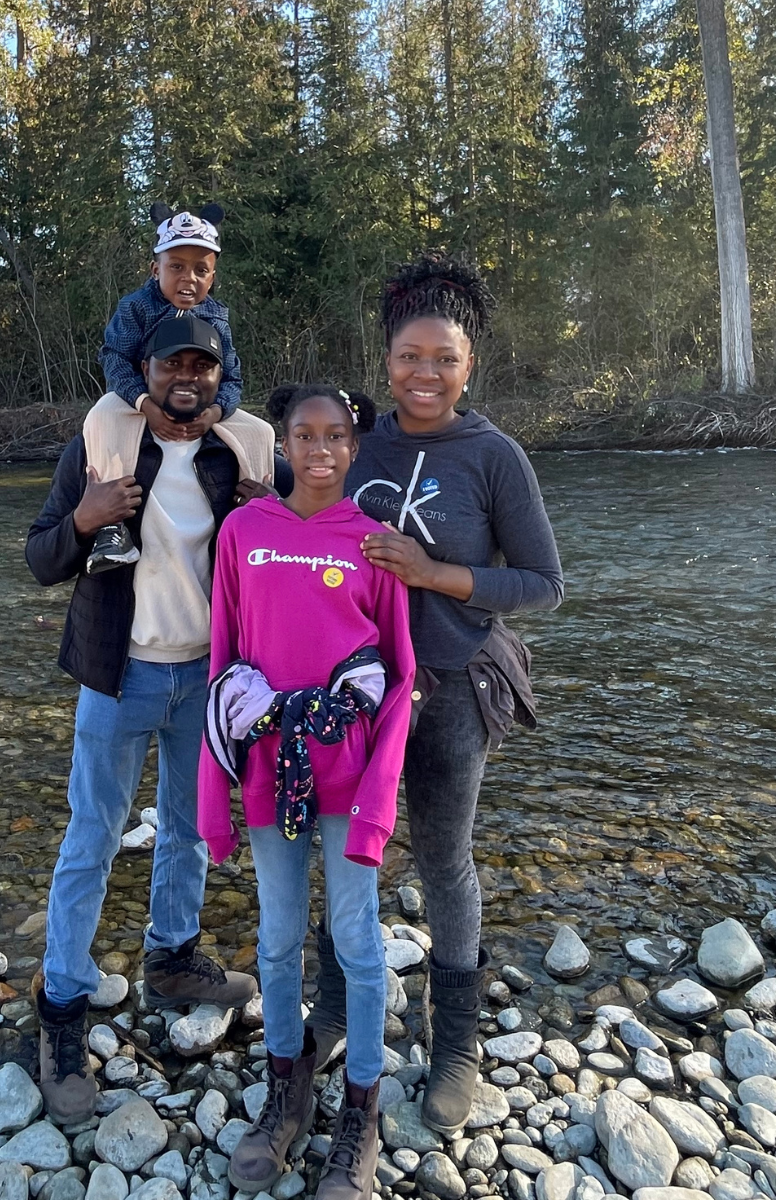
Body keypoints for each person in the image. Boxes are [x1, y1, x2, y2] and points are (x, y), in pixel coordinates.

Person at [24, 314, 281, 1124]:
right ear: (147, 367)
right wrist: (86, 518)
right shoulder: (100, 445)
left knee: (188, 827)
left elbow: (284, 567)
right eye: (175, 362)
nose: (189, 377)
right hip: (117, 675)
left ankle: (171, 958)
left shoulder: (232, 452)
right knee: (92, 835)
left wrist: (268, 513)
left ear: (217, 375)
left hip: (205, 677)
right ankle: (62, 1004)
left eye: (203, 366)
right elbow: (39, 558)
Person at [338, 253, 566, 1136]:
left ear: (470, 365)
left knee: (444, 860)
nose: (424, 373)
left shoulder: (495, 456)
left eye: (444, 358)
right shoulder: (357, 443)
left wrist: (437, 575)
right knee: (346, 853)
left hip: (454, 690)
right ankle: (328, 1014)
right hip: (354, 692)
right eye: (408, 356)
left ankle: (456, 1048)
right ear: (385, 359)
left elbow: (545, 585)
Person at [198, 384, 416, 1200]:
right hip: (265, 768)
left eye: (335, 437)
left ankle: (362, 1104)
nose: (320, 449)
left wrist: (379, 802)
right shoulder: (243, 533)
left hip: (348, 774)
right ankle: (287, 1087)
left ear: (355, 448)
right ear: (282, 442)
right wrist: (210, 791)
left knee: (358, 941)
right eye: (304, 435)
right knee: (278, 937)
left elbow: (398, 681)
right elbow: (222, 663)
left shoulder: (374, 544)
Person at [88, 203, 244, 574]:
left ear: (213, 277)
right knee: (102, 415)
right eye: (176, 267)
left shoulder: (216, 317)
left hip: (200, 406)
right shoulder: (136, 308)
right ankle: (112, 528)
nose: (188, 278)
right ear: (155, 268)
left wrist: (215, 413)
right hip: (138, 400)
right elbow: (114, 358)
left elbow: (233, 378)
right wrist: (145, 405)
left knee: (259, 431)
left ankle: (252, 515)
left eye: (200, 270)